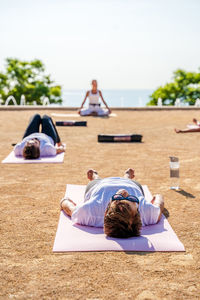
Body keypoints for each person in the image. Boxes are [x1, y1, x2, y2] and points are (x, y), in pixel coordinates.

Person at [60, 168, 164, 238]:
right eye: (131, 198)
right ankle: (127, 177)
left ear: (106, 212)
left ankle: (95, 176)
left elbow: (69, 208)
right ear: (138, 211)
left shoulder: (91, 212)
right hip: (131, 184)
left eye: (118, 199)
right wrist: (158, 198)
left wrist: (64, 201)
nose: (123, 192)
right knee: (130, 182)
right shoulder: (146, 212)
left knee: (95, 181)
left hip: (99, 185)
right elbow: (159, 204)